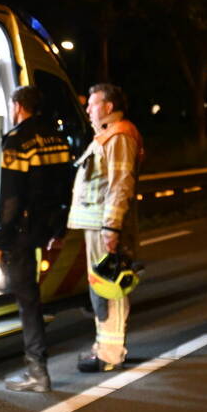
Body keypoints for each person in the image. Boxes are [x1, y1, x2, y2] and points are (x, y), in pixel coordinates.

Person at [0, 85, 72, 392]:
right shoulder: (56, 137)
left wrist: (0, 241)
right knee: (21, 287)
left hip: (22, 228)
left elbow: (11, 198)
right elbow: (66, 187)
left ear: (18, 106)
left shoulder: (18, 141)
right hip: (45, 226)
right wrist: (58, 230)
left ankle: (36, 371)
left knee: (26, 299)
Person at [67, 83, 143, 372]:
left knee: (111, 288)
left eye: (92, 104)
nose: (87, 109)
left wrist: (111, 228)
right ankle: (105, 347)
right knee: (102, 287)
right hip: (98, 226)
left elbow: (120, 184)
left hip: (105, 227)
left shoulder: (120, 135)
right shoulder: (106, 135)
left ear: (108, 107)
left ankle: (110, 354)